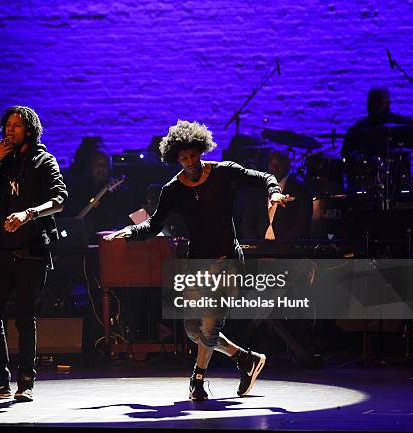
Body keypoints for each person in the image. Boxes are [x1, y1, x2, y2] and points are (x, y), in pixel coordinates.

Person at [104, 120, 292, 400]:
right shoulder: (173, 189)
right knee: (194, 331)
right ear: (175, 159)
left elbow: (263, 177)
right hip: (198, 264)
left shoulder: (224, 172)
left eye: (193, 155)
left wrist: (274, 192)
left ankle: (198, 379)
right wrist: (129, 232)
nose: (190, 162)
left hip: (227, 260)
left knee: (210, 325)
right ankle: (246, 358)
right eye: (183, 158)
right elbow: (154, 225)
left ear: (201, 150)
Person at [0, 106, 67, 402]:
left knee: (24, 317)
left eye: (17, 125)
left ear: (30, 129)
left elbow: (60, 200)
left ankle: (26, 381)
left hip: (32, 250)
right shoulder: (1, 162)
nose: (10, 130)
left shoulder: (43, 161)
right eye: (7, 125)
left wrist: (29, 213)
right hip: (2, 249)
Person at [239, 150, 312, 241]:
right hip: (259, 246)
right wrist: (255, 245)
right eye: (271, 164)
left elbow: (302, 224)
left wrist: (284, 245)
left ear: (288, 166)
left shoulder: (301, 189)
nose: (274, 168)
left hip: (286, 246)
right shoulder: (259, 188)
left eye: (279, 164)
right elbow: (247, 223)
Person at [341, 87, 412, 159]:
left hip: (398, 168)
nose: (374, 105)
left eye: (378, 102)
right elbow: (345, 154)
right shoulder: (357, 129)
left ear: (387, 103)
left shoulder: (403, 125)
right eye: (371, 102)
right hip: (366, 169)